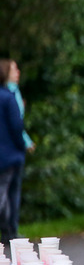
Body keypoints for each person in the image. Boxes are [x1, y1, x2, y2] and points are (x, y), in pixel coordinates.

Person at [1, 59, 31, 244]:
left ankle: (8, 232)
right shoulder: (9, 96)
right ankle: (10, 232)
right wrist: (22, 146)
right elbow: (16, 125)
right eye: (14, 69)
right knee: (9, 194)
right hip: (11, 154)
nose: (17, 72)